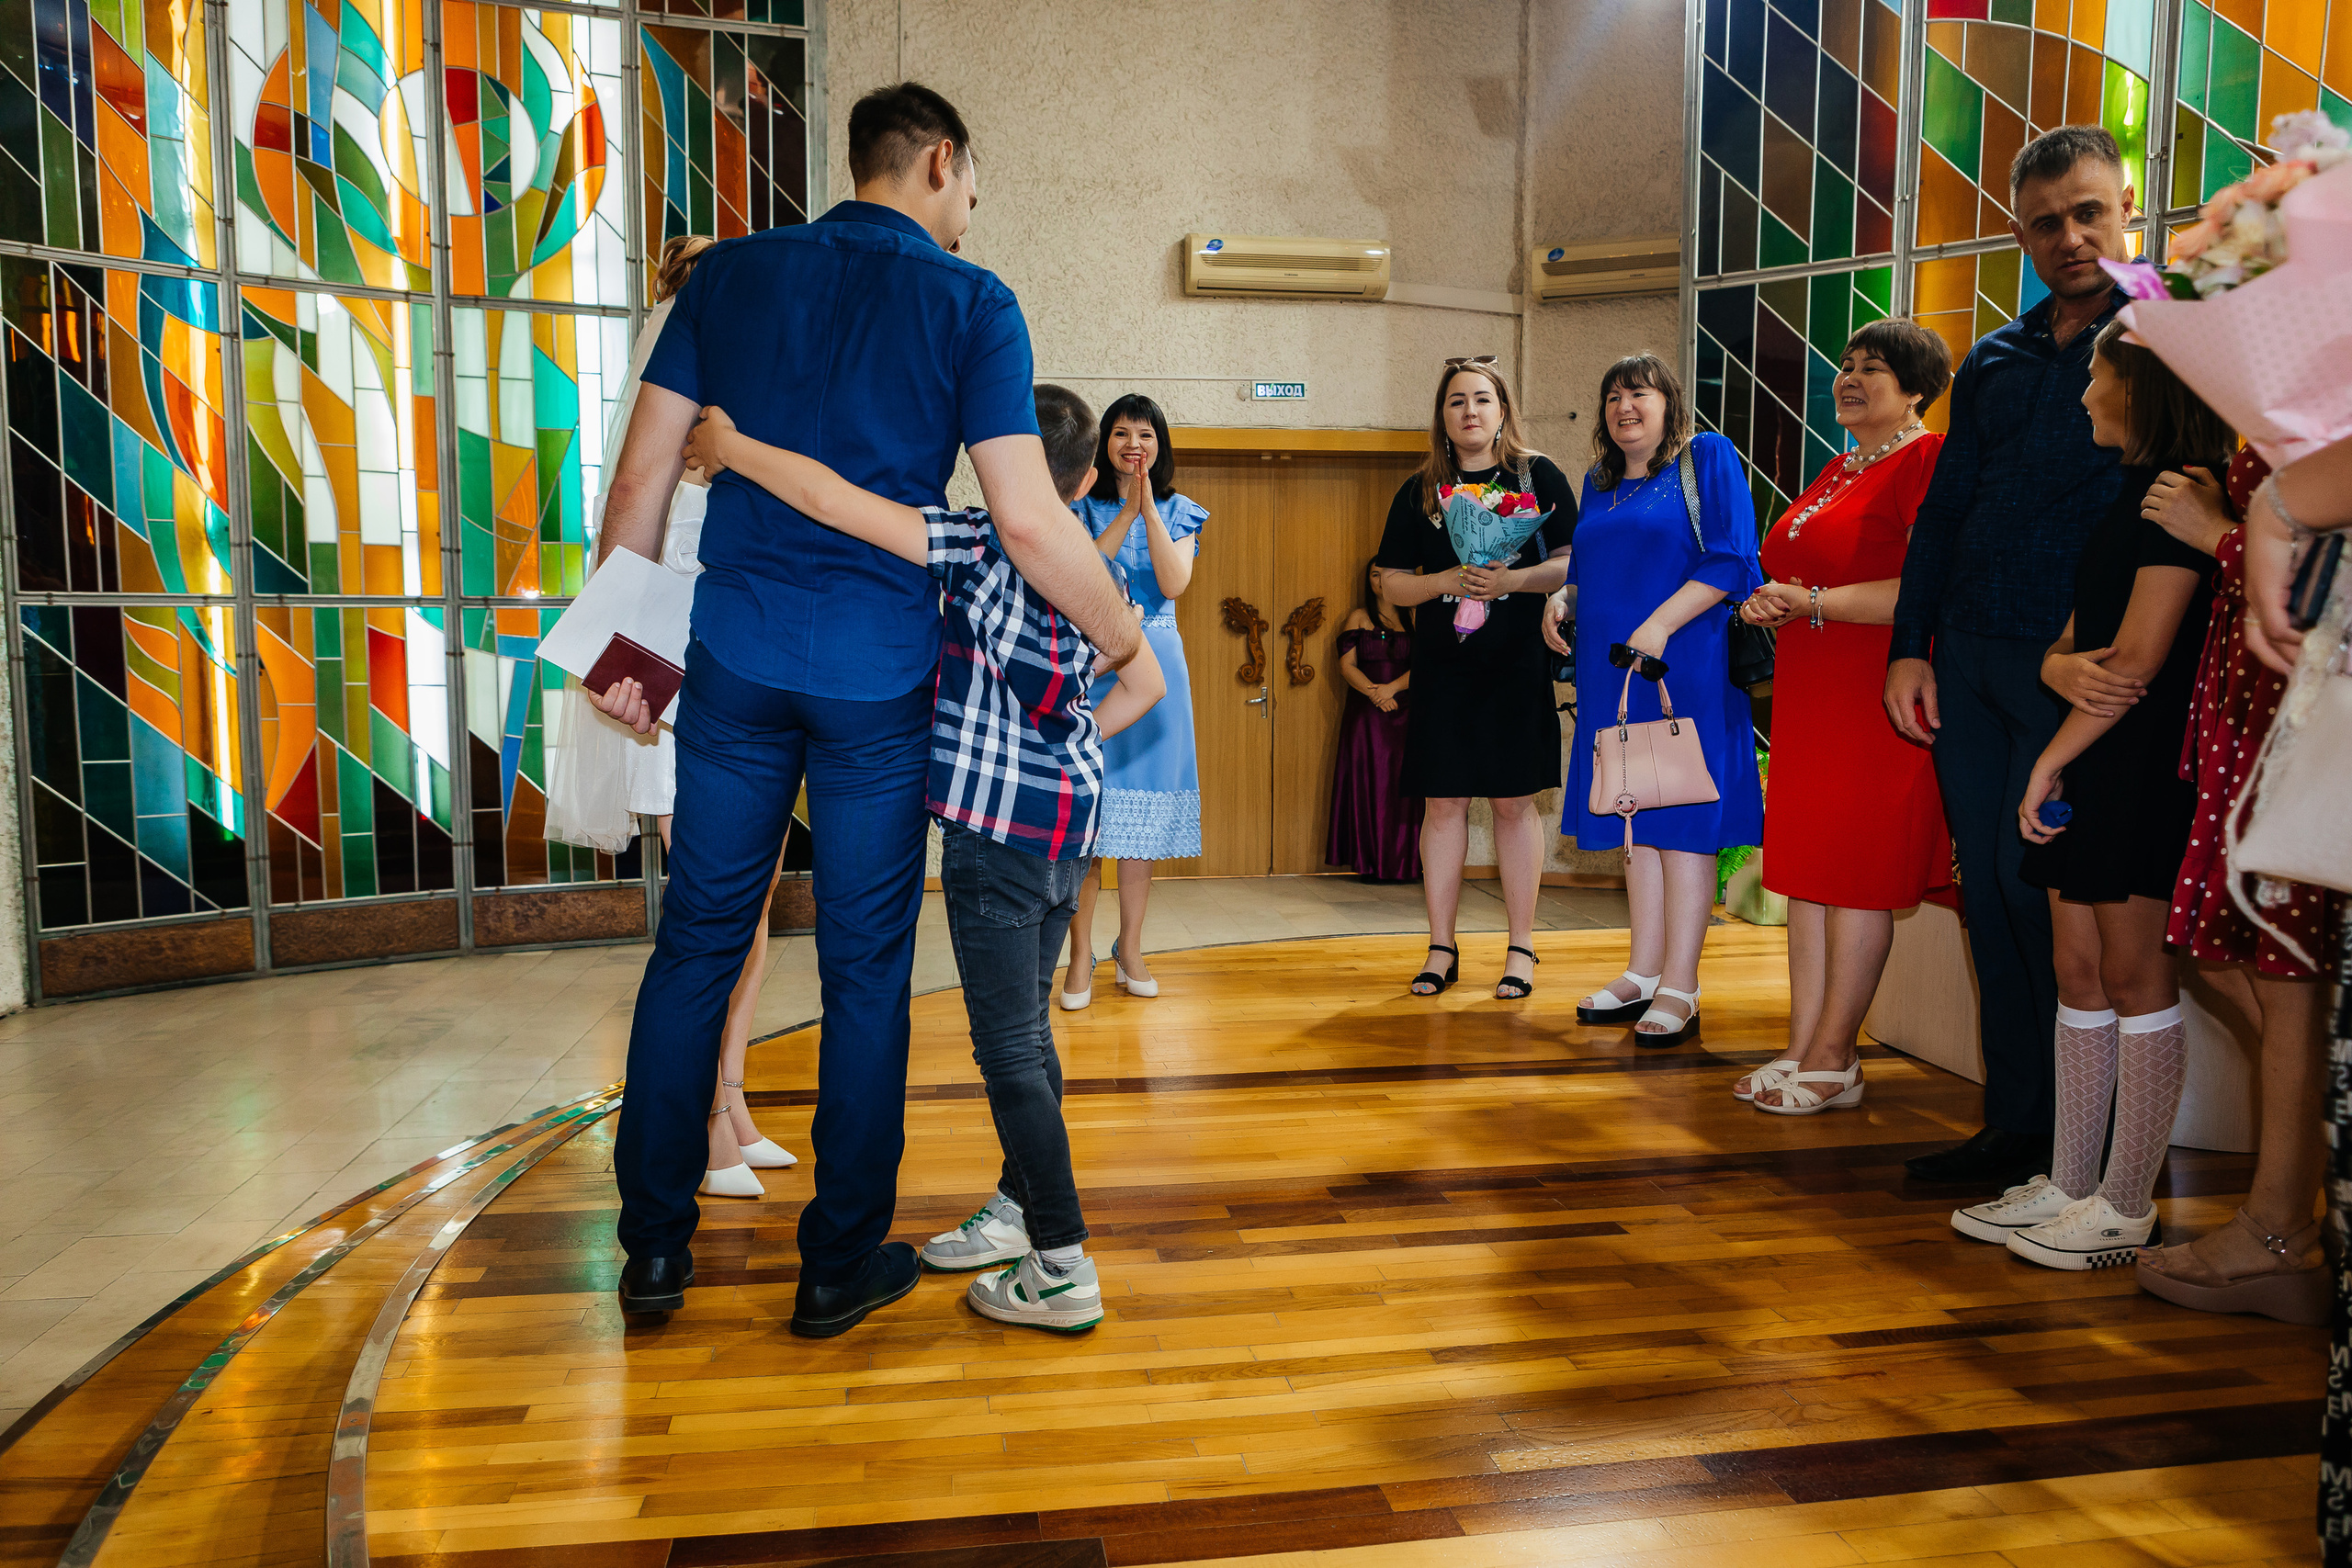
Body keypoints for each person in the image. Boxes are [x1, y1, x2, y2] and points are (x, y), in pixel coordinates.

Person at [593, 82, 1137, 1331]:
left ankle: (653, 1252)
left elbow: (639, 478)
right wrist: (1114, 629)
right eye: (970, 192)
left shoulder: (726, 277)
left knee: (698, 942)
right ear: (939, 160)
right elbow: (1023, 514)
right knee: (865, 964)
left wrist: (626, 671)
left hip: (732, 659)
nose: (969, 215)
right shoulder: (972, 301)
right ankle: (837, 1259)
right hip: (878, 680)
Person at [682, 385, 1165, 1334]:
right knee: (1028, 1032)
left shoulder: (985, 544)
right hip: (1067, 824)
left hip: (998, 837)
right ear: (1082, 474)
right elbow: (1142, 682)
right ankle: (1022, 1206)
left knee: (1010, 1046)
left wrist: (731, 445)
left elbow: (827, 499)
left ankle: (1062, 1263)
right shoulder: (1093, 567)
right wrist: (1059, 752)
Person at [1881, 125, 2138, 1188]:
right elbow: (1943, 514)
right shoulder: (1992, 358)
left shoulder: (2167, 338)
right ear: (2019, 232)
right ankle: (2016, 1126)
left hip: (2074, 668)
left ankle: (2092, 1153)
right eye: (2045, 222)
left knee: (2053, 901)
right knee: (1988, 891)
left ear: (2126, 207)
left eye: (2088, 212)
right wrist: (1911, 648)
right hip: (1971, 660)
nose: (2070, 236)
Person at [1947, 319, 2228, 1268]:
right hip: (2090, 755)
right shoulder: (2125, 496)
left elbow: (2137, 664)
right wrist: (2059, 672)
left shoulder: (2184, 495)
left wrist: (2046, 755)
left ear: (2142, 387)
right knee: (2077, 971)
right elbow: (2076, 646)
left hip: (2139, 766)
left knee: (2132, 976)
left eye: (2097, 377)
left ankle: (2125, 1200)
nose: (2080, 395)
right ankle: (2071, 1180)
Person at [565, 235, 797, 1200]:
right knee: (715, 921)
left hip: (747, 696)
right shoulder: (661, 444)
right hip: (675, 704)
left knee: (755, 917)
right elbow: (629, 564)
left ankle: (733, 1101)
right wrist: (628, 691)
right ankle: (699, 1124)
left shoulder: (735, 427)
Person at [2131, 447, 2331, 1324]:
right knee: (2231, 953)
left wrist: (2218, 533)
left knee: (2289, 961)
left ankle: (2281, 1227)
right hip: (2255, 685)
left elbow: (2322, 562)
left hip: (2302, 686)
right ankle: (2290, 1207)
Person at [1734, 320, 1951, 1112]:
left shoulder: (1923, 459)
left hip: (1877, 694)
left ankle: (1836, 1057)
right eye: (1846, 364)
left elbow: (1928, 585)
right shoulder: (1837, 467)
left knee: (1856, 878)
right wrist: (1777, 601)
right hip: (1813, 689)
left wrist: (1813, 601)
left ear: (1917, 388)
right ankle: (1802, 1047)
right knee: (1810, 878)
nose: (1850, 378)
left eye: (1874, 368)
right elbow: (1802, 571)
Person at [1544, 354, 1764, 1043]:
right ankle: (1642, 970)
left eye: (1638, 392)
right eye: (1612, 396)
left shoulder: (1707, 457)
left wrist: (1662, 623)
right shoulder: (1599, 480)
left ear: (1669, 400)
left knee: (1684, 824)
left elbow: (1733, 557)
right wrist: (1561, 596)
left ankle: (1682, 981)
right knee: (1636, 818)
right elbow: (1589, 570)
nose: (1623, 406)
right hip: (1613, 671)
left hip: (1683, 667)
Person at [1374, 357, 1576, 1000]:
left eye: (1482, 399)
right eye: (1456, 400)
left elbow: (1573, 561)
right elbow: (1391, 580)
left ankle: (1521, 946)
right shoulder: (1418, 491)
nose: (1469, 411)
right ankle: (1440, 945)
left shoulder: (1538, 476)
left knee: (1515, 803)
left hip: (1516, 665)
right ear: (1442, 415)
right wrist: (1444, 581)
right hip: (1443, 669)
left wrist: (1511, 580)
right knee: (1444, 804)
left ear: (1503, 409)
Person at [1061, 395, 1204, 1007]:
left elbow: (1173, 584)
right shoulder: (1077, 507)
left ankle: (1132, 946)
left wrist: (1149, 512)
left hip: (1161, 670)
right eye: (1121, 433)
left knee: (1139, 835)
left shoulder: (1181, 511)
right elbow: (1082, 571)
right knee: (1090, 833)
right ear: (1105, 444)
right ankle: (1078, 957)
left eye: (1145, 434)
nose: (1133, 445)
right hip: (1097, 666)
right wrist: (1124, 510)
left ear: (1160, 444)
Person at [1326, 558, 1422, 882]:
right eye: (1374, 574)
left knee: (1405, 789)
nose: (1380, 580)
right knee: (1370, 786)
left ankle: (1406, 865)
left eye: (1386, 574)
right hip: (1366, 717)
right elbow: (1346, 665)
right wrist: (1375, 693)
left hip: (1407, 713)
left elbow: (1428, 664)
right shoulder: (1358, 617)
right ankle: (1370, 863)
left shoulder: (1414, 617)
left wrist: (1392, 689)